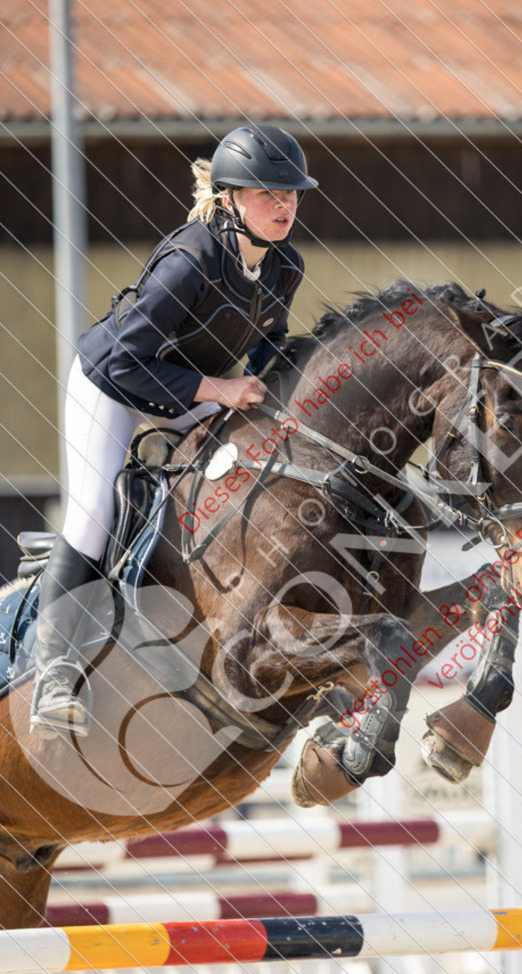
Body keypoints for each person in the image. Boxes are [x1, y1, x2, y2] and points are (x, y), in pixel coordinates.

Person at [30, 124, 318, 740]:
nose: (285, 205)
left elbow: (267, 344)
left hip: (187, 391)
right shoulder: (189, 261)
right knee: (93, 512)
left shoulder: (285, 264)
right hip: (111, 387)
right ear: (231, 198)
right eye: (269, 193)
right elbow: (123, 362)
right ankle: (52, 670)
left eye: (292, 193)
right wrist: (220, 391)